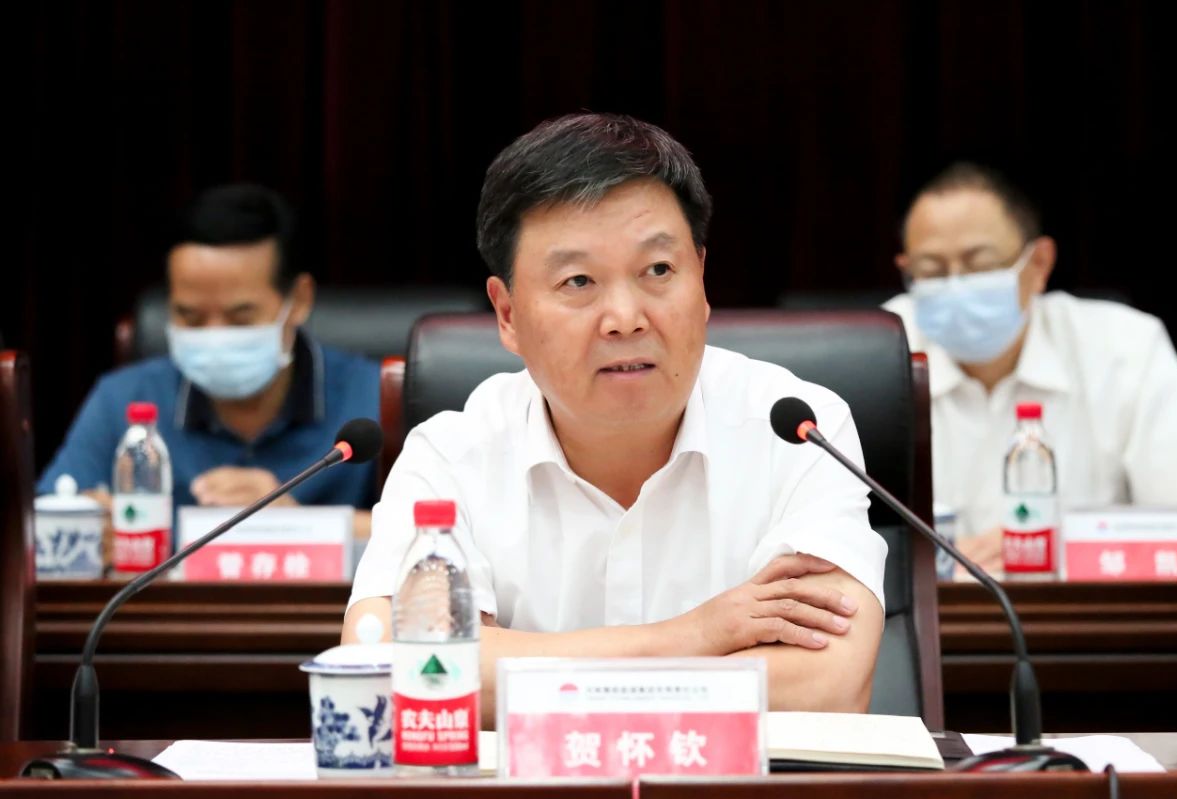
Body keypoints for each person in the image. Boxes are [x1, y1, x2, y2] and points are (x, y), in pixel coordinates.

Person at [344, 113, 887, 720]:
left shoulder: (798, 432)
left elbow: (827, 684)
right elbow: (386, 668)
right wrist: (694, 635)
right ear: (507, 314)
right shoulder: (451, 456)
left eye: (658, 271)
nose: (626, 318)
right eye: (578, 281)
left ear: (701, 279)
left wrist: (502, 666)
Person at [884, 162, 1177, 572]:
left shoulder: (1122, 349)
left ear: (1039, 264)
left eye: (980, 265)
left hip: (1083, 610)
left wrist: (1065, 546)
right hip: (931, 613)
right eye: (931, 271)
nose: (956, 286)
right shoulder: (880, 353)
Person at [39, 184, 379, 539]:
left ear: (299, 300)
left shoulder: (373, 398)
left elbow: (418, 531)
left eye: (240, 318)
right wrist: (88, 528)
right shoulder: (123, 399)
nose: (215, 336)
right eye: (191, 317)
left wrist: (298, 525)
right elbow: (42, 522)